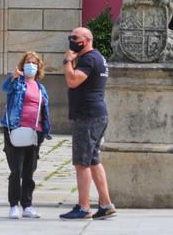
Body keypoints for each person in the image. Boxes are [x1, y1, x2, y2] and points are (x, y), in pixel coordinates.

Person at [59, 27, 118, 221]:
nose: (71, 40)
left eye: (75, 38)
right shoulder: (98, 58)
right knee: (93, 160)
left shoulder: (89, 59)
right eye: (70, 37)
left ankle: (84, 208)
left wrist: (68, 61)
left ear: (87, 40)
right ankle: (106, 204)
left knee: (81, 162)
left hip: (88, 116)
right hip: (96, 114)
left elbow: (73, 80)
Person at [0, 51, 52, 220]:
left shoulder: (40, 87)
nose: (31, 65)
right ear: (23, 66)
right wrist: (12, 77)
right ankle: (14, 205)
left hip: (34, 133)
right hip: (15, 130)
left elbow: (44, 110)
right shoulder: (17, 83)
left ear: (39, 67)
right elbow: (5, 89)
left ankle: (27, 205)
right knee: (16, 170)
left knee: (29, 170)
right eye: (28, 62)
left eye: (34, 63)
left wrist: (44, 131)